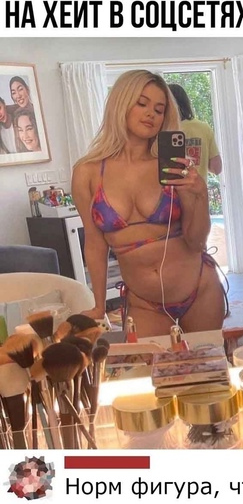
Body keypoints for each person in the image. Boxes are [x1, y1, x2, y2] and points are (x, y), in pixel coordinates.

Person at [72, 70, 225, 337]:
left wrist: (200, 195)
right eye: (142, 103)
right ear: (121, 104)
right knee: (146, 363)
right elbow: (95, 244)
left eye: (159, 109)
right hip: (144, 303)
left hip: (200, 289)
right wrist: (99, 305)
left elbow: (196, 241)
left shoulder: (171, 165)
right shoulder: (87, 172)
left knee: (208, 362)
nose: (151, 114)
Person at [168, 83, 222, 182]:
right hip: (198, 189)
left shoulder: (164, 130)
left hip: (171, 190)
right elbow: (216, 168)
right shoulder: (204, 128)